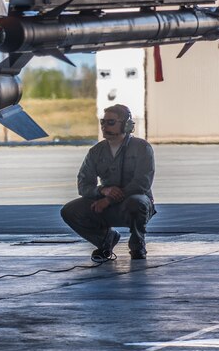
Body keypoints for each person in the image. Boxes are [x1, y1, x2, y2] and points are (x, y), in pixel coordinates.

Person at [61, 104, 155, 262]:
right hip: (106, 205)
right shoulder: (96, 152)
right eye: (102, 122)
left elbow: (142, 183)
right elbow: (83, 184)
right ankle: (105, 240)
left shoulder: (142, 148)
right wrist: (102, 191)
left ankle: (137, 244)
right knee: (70, 211)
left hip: (134, 204)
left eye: (110, 122)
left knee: (137, 202)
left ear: (126, 125)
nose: (104, 126)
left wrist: (109, 199)